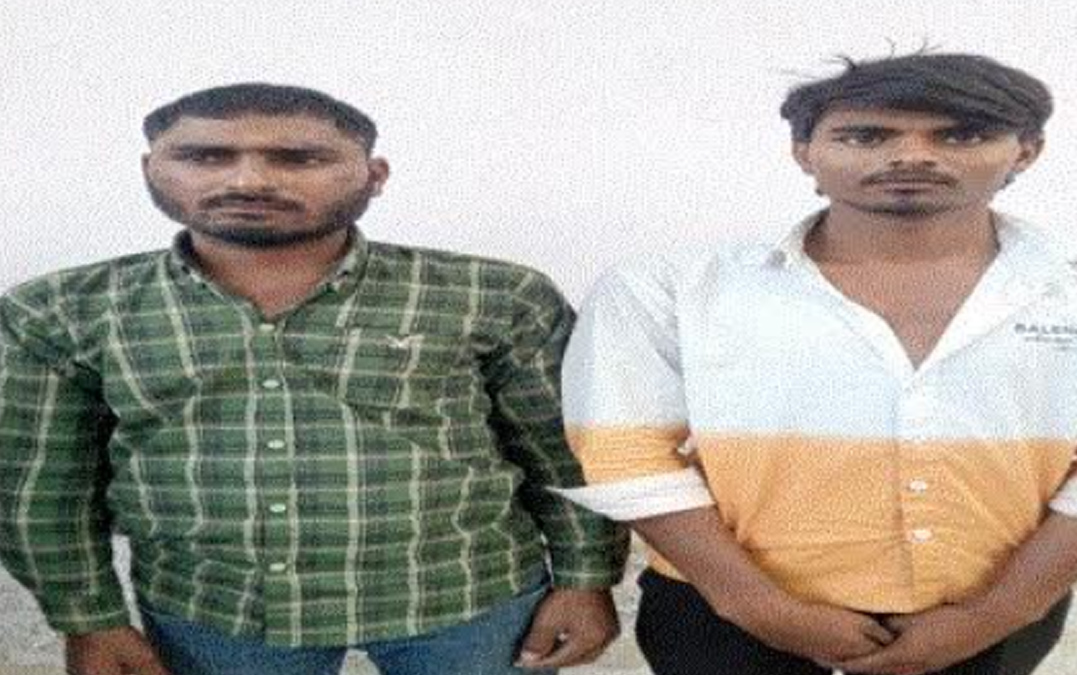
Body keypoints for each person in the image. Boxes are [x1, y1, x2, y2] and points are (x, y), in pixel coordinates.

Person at [556, 52, 1077, 675]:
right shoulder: (667, 289)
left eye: (961, 135)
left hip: (996, 615)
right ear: (804, 152)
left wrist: (998, 612)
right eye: (865, 136)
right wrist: (755, 604)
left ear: (1027, 150)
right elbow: (626, 452)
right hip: (720, 613)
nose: (912, 156)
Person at [0, 83, 627, 675]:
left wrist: (586, 578)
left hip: (468, 595)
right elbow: (41, 484)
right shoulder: (61, 311)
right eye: (205, 156)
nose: (248, 179)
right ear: (150, 169)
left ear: (374, 176)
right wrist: (89, 619)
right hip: (215, 609)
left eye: (299, 158)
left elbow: (561, 451)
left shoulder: (492, 294)